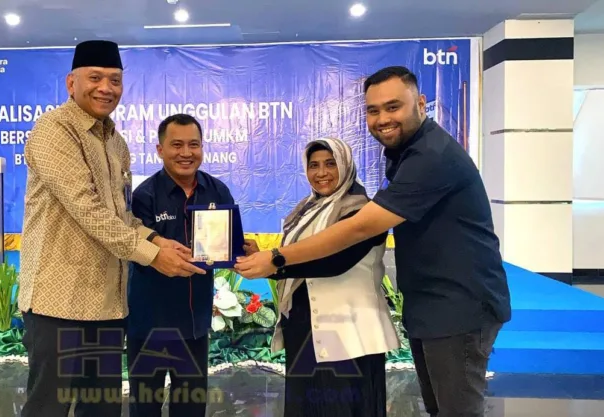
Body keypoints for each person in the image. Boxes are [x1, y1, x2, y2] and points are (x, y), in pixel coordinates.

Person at [235, 66, 512, 417]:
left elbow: (357, 232)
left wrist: (276, 260)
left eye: (393, 106)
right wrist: (269, 258)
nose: (382, 119)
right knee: (439, 408)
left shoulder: (430, 156)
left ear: (421, 103)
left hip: (457, 305)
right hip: (430, 306)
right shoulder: (400, 156)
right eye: (373, 110)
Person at [18, 41, 204, 417]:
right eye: (95, 78)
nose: (106, 88)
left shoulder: (116, 143)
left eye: (115, 80)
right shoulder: (53, 130)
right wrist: (152, 255)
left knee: (101, 409)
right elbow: (87, 210)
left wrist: (156, 239)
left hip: (106, 305)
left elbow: (120, 214)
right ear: (71, 83)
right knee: (49, 408)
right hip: (60, 303)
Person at [243, 137, 399, 417]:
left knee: (344, 407)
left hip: (349, 335)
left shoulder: (362, 211)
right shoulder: (306, 209)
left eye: (330, 164)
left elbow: (334, 262)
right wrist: (263, 257)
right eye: (313, 165)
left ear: (346, 165)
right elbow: (296, 258)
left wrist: (273, 265)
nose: (321, 172)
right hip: (305, 332)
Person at [126, 113, 235, 417]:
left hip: (194, 325)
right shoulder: (144, 196)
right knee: (144, 406)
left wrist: (240, 250)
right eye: (177, 145)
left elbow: (227, 243)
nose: (186, 153)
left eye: (193, 145)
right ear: (160, 150)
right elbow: (135, 249)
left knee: (190, 405)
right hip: (149, 323)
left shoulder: (217, 191)